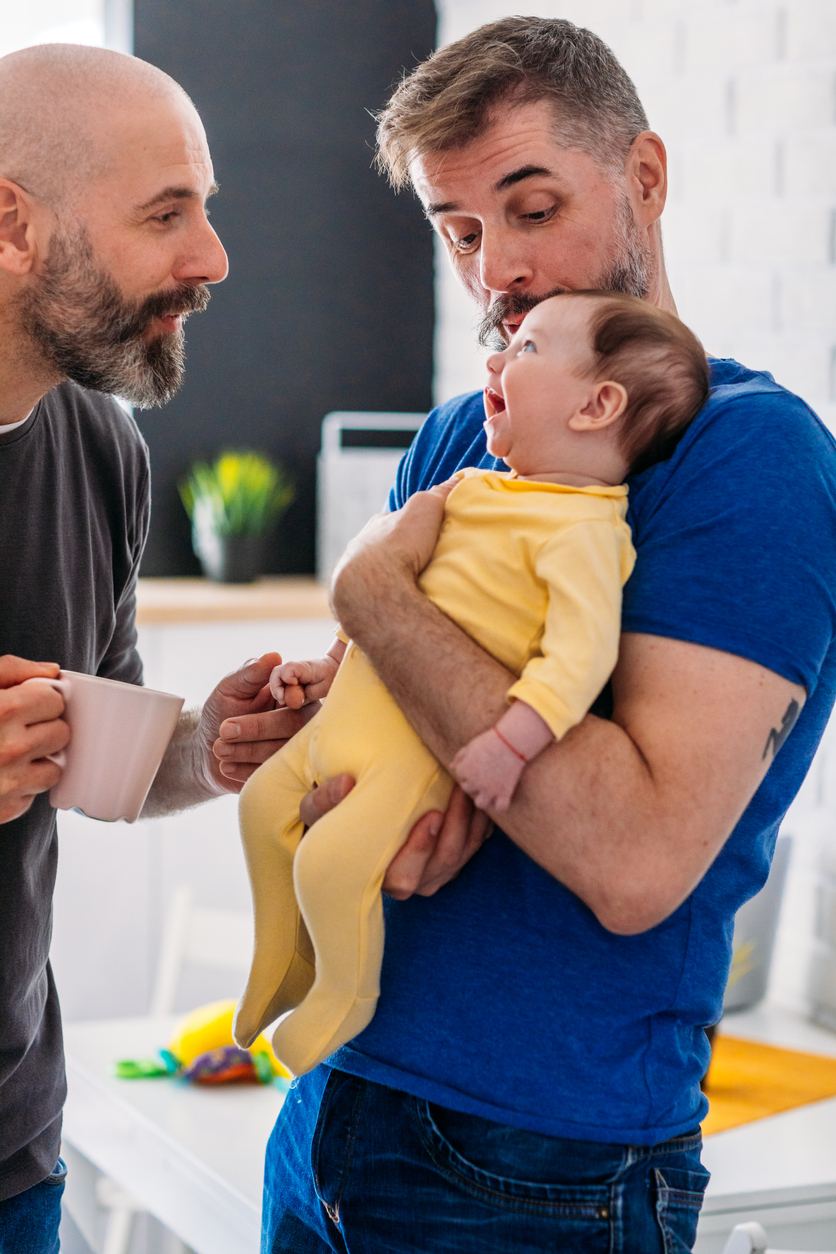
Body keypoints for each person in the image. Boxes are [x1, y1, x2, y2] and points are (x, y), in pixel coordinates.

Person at [260, 17, 836, 1254]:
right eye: (458, 231)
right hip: (328, 1109)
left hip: (534, 1163)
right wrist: (318, 738)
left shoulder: (748, 458)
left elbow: (629, 860)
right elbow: (380, 724)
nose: (495, 273)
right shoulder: (462, 438)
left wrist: (377, 599)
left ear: (644, 178)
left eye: (530, 209)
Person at [0, 42, 318, 1251]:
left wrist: (213, 743)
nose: (213, 261)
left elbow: (103, 768)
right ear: (11, 224)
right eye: (165, 215)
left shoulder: (103, 449)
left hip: (13, 1140)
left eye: (208, 210)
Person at [234, 291, 708, 1079]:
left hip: (415, 752)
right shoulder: (474, 484)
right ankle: (287, 960)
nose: (495, 357)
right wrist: (330, 665)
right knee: (261, 809)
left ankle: (340, 997)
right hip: (356, 707)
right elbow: (386, 594)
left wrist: (508, 746)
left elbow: (578, 658)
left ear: (597, 405)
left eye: (526, 351)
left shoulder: (586, 533)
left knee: (331, 866)